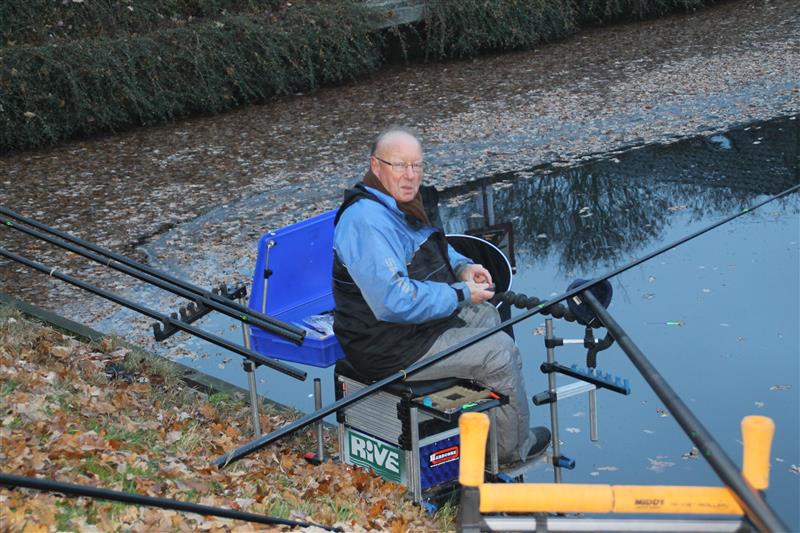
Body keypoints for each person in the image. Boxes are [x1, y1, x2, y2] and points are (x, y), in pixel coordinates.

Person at [332, 127, 549, 464]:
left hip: (412, 329)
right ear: (376, 166)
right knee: (500, 353)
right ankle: (509, 451)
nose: (410, 175)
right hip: (385, 345)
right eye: (399, 165)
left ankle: (473, 429)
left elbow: (434, 246)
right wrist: (459, 292)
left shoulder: (397, 203)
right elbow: (393, 301)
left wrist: (462, 268)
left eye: (416, 165)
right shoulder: (366, 221)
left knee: (487, 316)